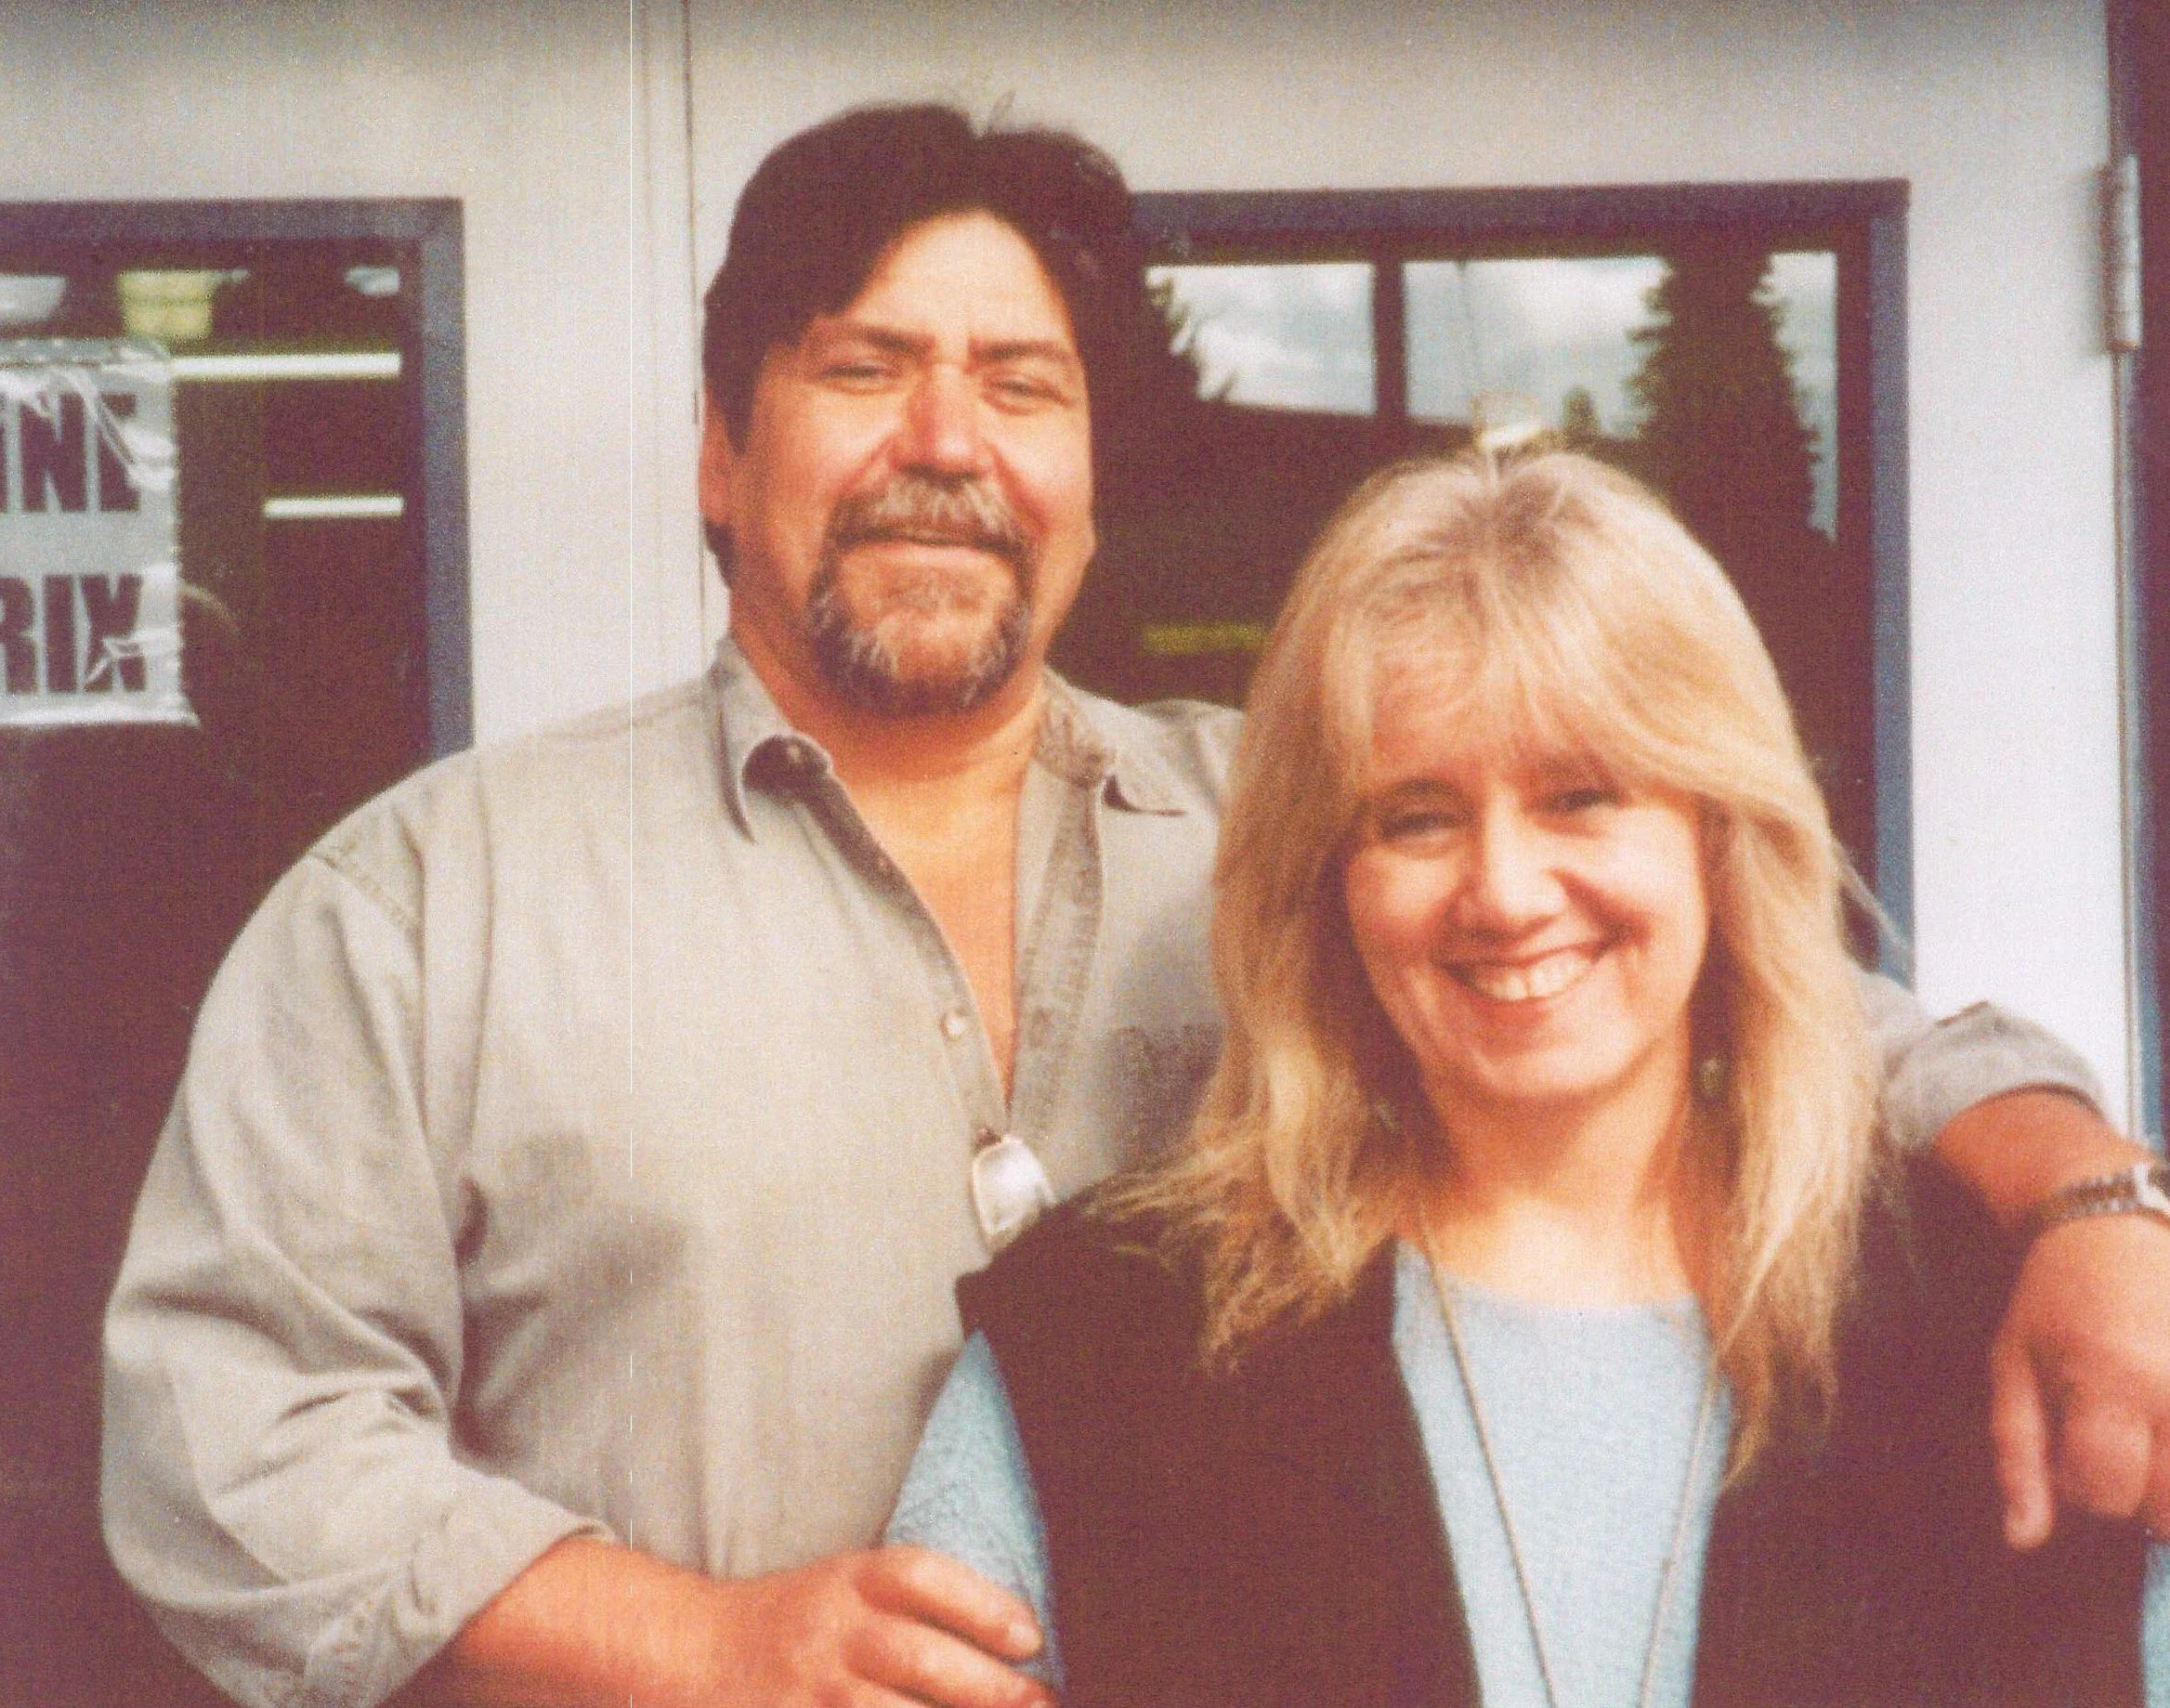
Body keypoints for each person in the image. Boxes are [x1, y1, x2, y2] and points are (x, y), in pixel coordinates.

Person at [98, 103, 2168, 1708]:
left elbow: (1814, 1023)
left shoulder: (1309, 837)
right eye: (861, 367)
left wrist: (2088, 1206)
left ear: (1089, 475)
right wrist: (695, 1641)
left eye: (1021, 383)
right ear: (720, 453)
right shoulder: (431, 905)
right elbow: (224, 1437)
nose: (944, 442)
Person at [890, 447, 2158, 1705]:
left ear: (1718, 837)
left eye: (1581, 796)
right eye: (1417, 817)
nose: (1502, 892)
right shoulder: (1106, 1345)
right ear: (1327, 880)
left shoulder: (1988, 1321)